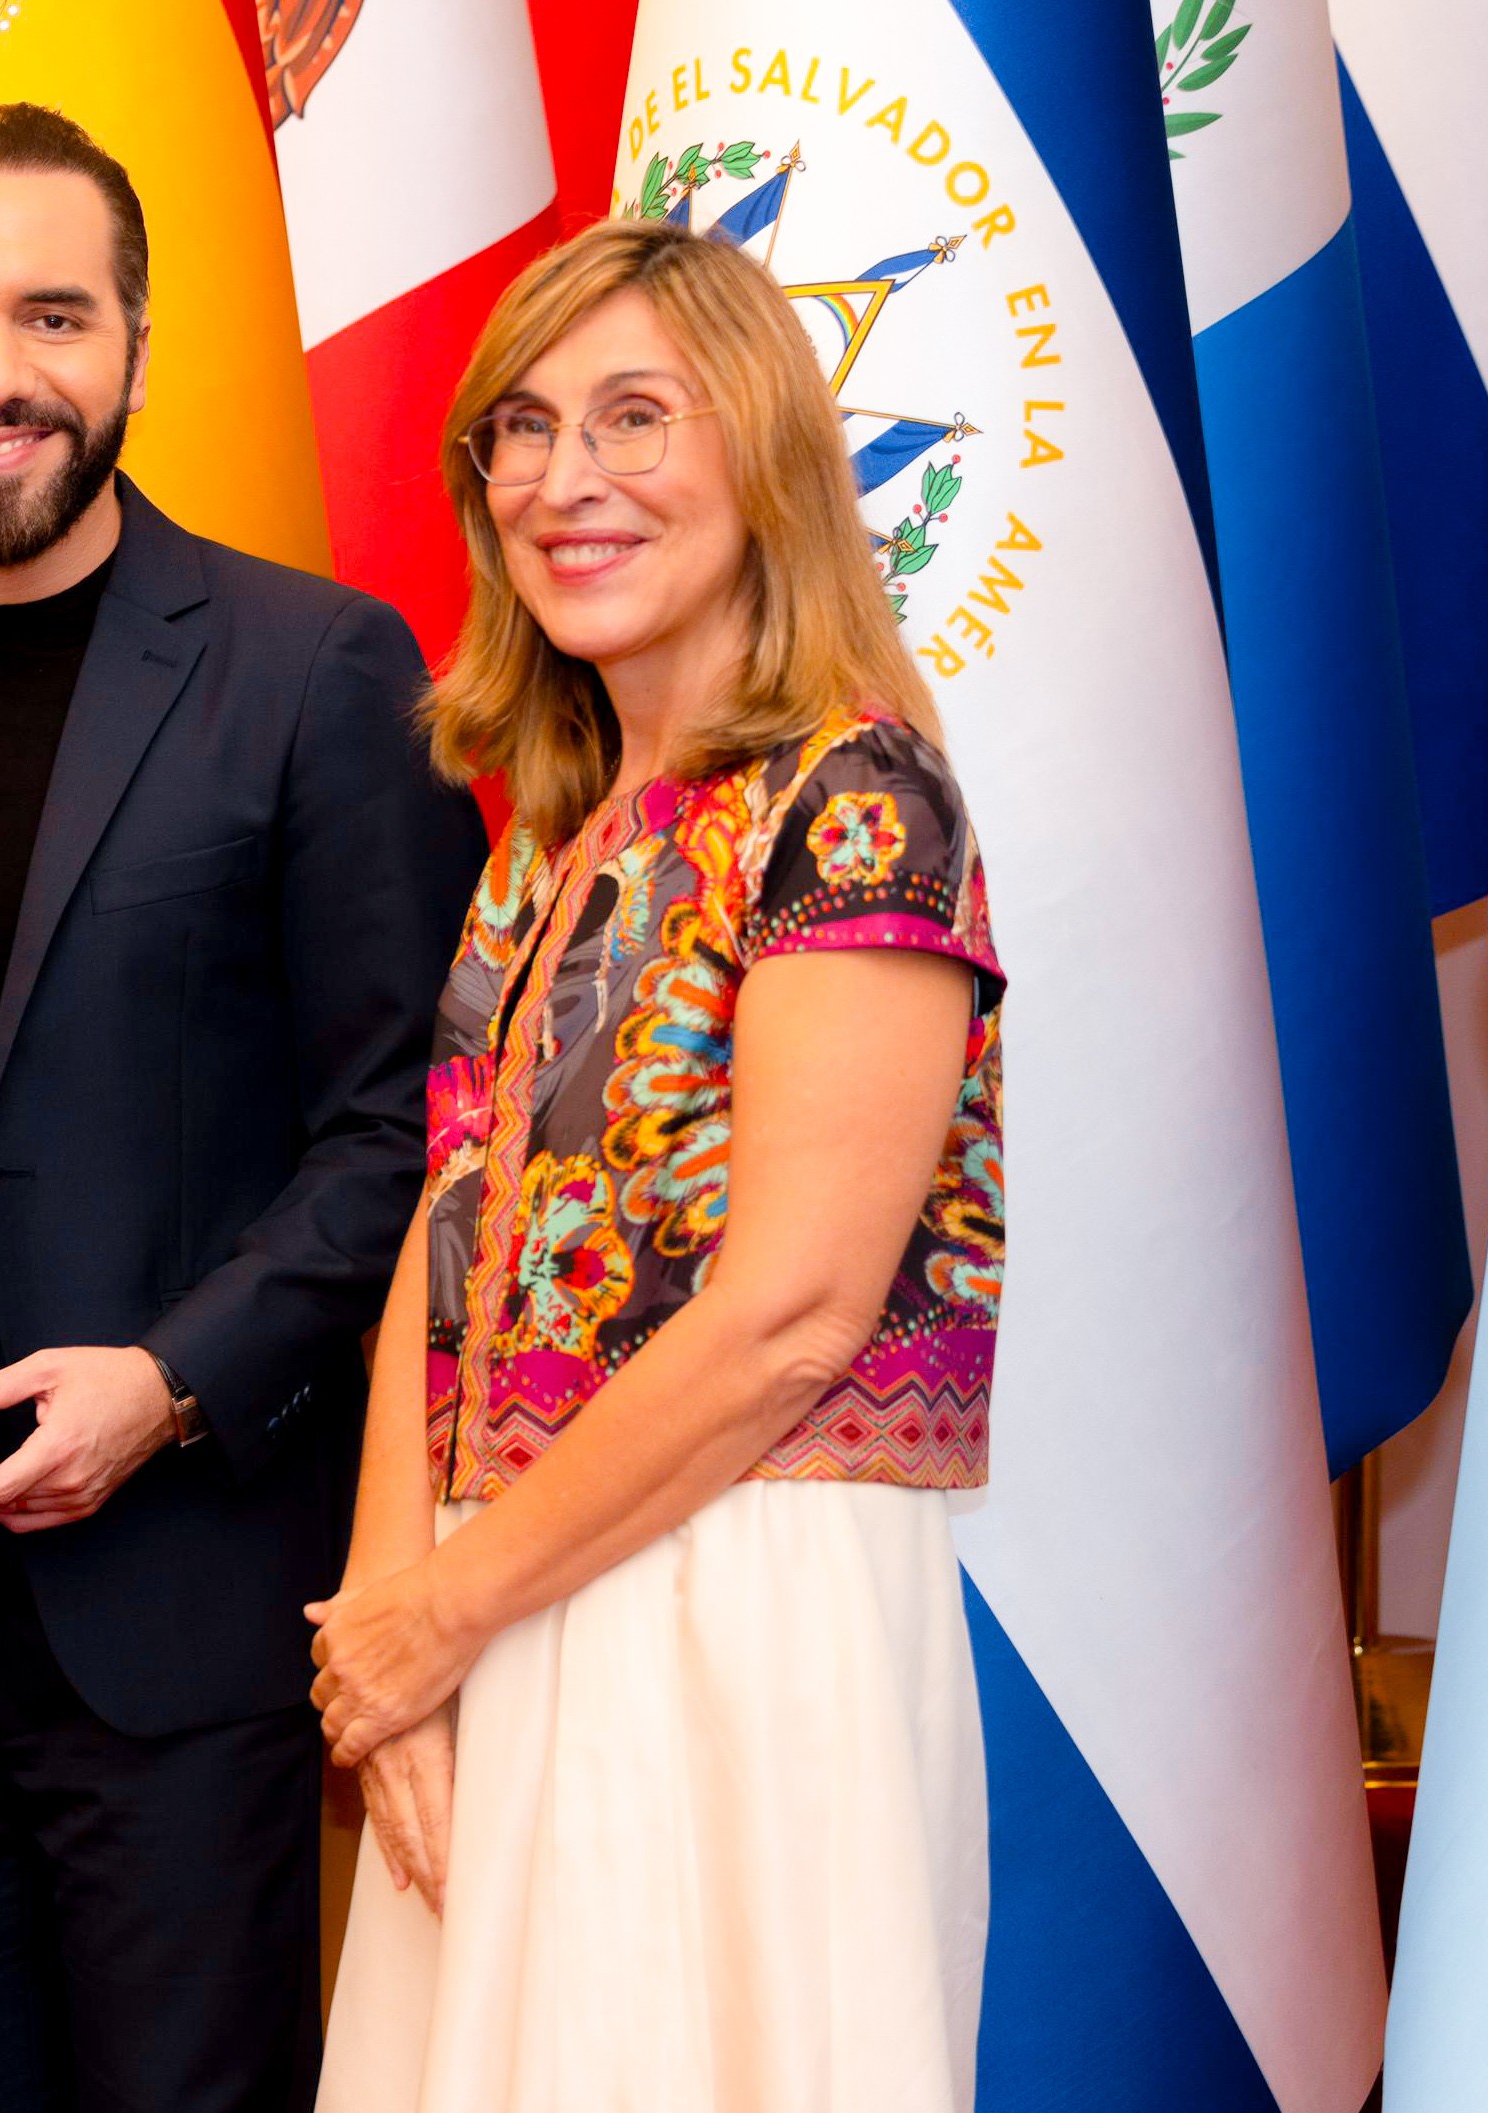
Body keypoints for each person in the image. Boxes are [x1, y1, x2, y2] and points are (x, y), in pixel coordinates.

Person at [0, 105, 484, 2112]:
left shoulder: (314, 669)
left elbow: (402, 1130)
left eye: (51, 315)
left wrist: (170, 1383)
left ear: (136, 342)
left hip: (171, 1610)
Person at [308, 217, 1004, 2111]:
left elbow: (792, 1313)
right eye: (521, 430)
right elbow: (446, 1226)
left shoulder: (854, 797)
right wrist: (384, 1634)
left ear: (763, 457)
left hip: (736, 1597)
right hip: (503, 1585)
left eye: (633, 416)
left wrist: (441, 1611)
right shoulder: (549, 832)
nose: (564, 479)